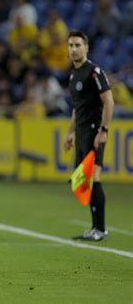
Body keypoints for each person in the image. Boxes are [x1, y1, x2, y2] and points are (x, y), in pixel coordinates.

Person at [63, 30, 114, 242]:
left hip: (94, 131)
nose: (74, 49)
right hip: (82, 132)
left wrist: (103, 131)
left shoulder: (94, 72)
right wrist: (70, 132)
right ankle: (95, 227)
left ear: (86, 48)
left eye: (78, 45)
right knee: (81, 182)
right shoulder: (74, 75)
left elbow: (109, 102)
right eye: (71, 45)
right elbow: (77, 107)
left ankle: (100, 229)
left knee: (93, 178)